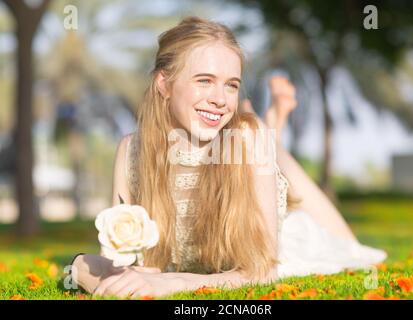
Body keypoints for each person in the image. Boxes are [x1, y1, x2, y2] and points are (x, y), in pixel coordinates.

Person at [71, 16, 387, 298]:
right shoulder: (130, 151)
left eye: (231, 85)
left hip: (288, 241)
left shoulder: (245, 141)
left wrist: (170, 283)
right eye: (204, 80)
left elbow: (262, 272)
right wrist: (80, 267)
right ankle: (271, 136)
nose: (221, 100)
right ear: (164, 85)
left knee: (354, 248)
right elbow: (114, 261)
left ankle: (273, 140)